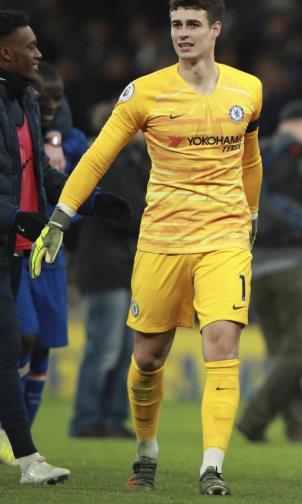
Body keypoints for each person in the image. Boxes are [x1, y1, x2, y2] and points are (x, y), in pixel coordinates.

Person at [29, 0, 263, 495]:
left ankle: (212, 466)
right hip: (161, 241)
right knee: (148, 359)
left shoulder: (249, 89)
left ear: (215, 29)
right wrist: (61, 216)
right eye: (176, 24)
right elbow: (97, 156)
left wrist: (253, 215)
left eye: (193, 24)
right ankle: (146, 449)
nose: (182, 33)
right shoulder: (145, 92)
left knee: (221, 340)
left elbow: (250, 160)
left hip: (224, 237)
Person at [0, 8, 75, 484]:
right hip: (8, 233)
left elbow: (39, 175)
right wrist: (17, 216)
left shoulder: (26, 99)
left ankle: (26, 458)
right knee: (10, 347)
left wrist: (85, 199)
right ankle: (29, 461)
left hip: (14, 247)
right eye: (29, 46)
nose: (38, 53)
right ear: (5, 52)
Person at [237, 100, 302, 444]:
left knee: (280, 355)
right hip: (296, 265)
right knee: (299, 352)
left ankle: (298, 430)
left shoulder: (254, 154)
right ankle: (252, 418)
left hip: (255, 264)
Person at [69, 105, 148, 439]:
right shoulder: (111, 162)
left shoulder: (132, 161)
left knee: (122, 350)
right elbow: (125, 212)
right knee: (104, 348)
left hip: (124, 267)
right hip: (105, 267)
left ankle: (113, 418)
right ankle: (88, 419)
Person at [12, 62, 79, 430]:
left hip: (52, 258)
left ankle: (24, 437)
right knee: (24, 337)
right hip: (20, 248)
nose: (51, 106)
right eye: (45, 99)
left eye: (58, 100)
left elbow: (82, 191)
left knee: (43, 344)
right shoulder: (16, 130)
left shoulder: (71, 141)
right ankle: (12, 432)